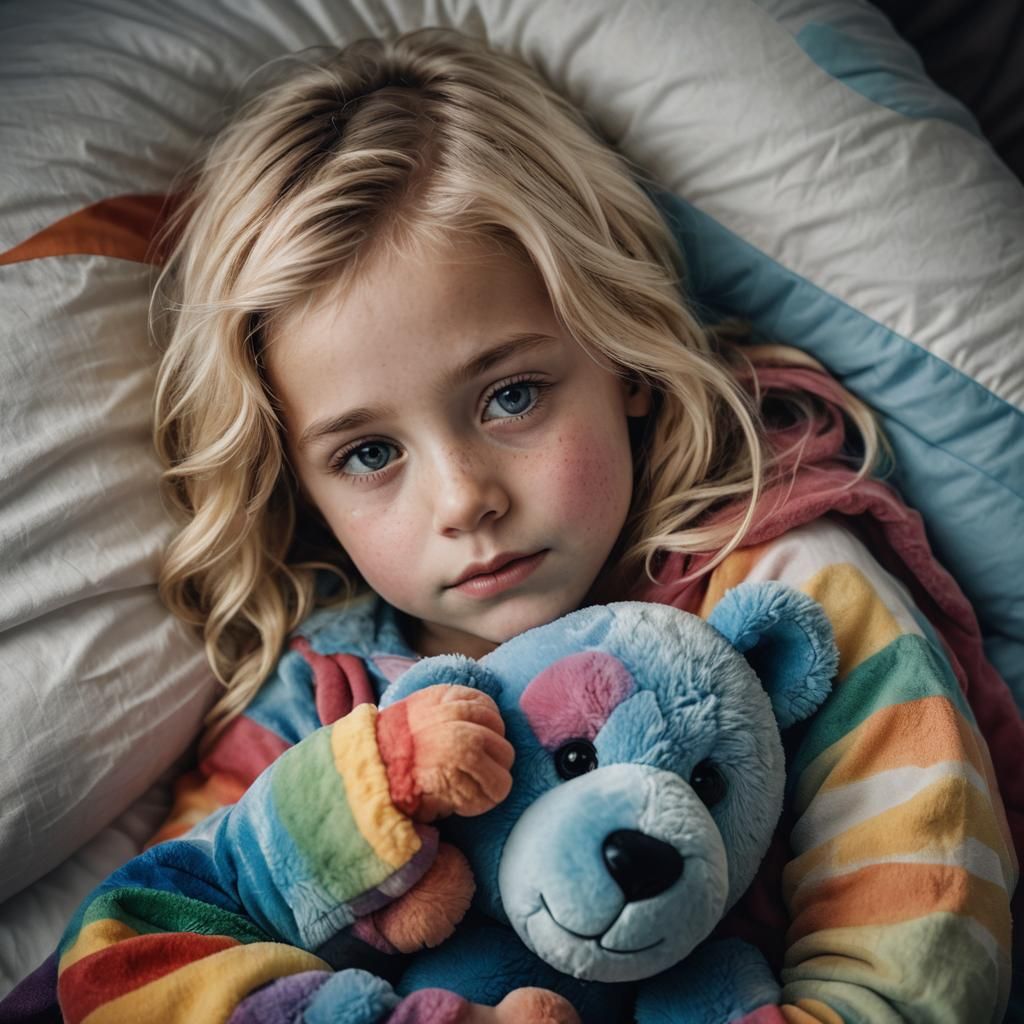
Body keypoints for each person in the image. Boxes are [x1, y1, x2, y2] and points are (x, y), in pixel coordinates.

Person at [8, 26, 1019, 1024]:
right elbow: (148, 952)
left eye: (511, 396)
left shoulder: (782, 587)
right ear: (300, 484)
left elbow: (924, 920)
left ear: (621, 356)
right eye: (369, 454)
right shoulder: (321, 703)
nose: (462, 501)